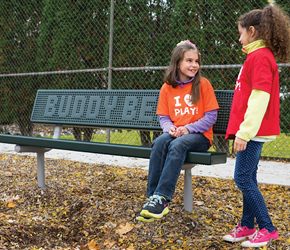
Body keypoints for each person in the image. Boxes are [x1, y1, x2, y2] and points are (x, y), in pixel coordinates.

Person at [222, 3, 290, 248]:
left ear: (252, 31)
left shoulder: (260, 57)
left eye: (240, 32)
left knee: (242, 178)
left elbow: (260, 98)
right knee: (248, 177)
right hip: (252, 131)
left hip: (254, 131)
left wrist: (245, 132)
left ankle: (268, 228)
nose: (239, 37)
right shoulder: (255, 56)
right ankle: (247, 225)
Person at [137, 40, 219, 222]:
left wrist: (187, 128)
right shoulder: (167, 88)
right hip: (177, 133)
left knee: (177, 145)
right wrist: (170, 128)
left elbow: (210, 117)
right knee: (159, 142)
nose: (194, 65)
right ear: (178, 63)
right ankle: (153, 197)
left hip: (199, 137)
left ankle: (163, 198)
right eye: (189, 61)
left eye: (196, 61)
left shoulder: (203, 84)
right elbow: (164, 117)